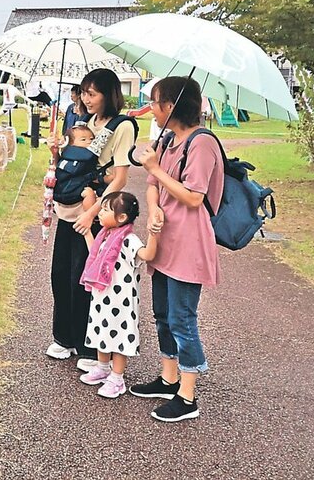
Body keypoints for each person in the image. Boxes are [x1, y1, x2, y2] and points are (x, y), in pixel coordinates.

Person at [134, 76, 223, 422]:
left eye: (155, 102)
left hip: (188, 243)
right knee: (162, 313)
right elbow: (154, 184)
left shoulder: (202, 144)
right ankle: (168, 378)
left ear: (171, 106)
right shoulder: (168, 138)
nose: (151, 109)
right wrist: (154, 206)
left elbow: (193, 196)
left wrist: (155, 167)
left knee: (182, 318)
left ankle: (187, 397)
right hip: (165, 239)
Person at [47, 68, 136, 370]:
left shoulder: (122, 126)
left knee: (84, 278)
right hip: (70, 207)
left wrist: (93, 211)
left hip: (99, 212)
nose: (86, 98)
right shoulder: (85, 123)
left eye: (92, 93)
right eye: (84, 92)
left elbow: (119, 178)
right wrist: (57, 153)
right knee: (60, 272)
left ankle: (90, 346)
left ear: (108, 95)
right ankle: (64, 337)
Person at [78, 191, 158, 398]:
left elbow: (148, 255)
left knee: (120, 336)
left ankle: (117, 378)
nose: (101, 213)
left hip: (121, 301)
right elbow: (94, 257)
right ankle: (103, 367)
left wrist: (154, 234)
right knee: (101, 330)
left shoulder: (129, 240)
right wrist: (88, 234)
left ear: (121, 217)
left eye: (105, 210)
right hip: (102, 296)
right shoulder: (105, 235)